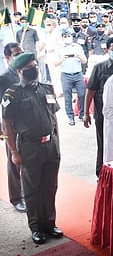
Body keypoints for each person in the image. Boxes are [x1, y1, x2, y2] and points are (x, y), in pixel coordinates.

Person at [2, 52, 63, 244]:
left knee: (50, 186)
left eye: (35, 65)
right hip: (29, 146)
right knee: (32, 189)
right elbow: (7, 125)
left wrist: (57, 141)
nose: (34, 69)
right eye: (29, 67)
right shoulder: (13, 93)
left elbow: (54, 118)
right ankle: (36, 228)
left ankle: (49, 224)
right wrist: (13, 152)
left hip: (51, 144)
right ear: (20, 70)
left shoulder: (47, 88)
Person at [84, 37, 113, 176]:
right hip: (103, 114)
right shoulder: (99, 68)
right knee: (103, 143)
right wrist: (85, 113)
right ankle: (101, 173)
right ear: (107, 50)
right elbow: (90, 91)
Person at [0, 43, 25, 212]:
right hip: (11, 126)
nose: (20, 56)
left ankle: (27, 193)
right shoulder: (3, 79)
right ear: (7, 58)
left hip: (28, 125)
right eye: (16, 54)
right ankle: (16, 198)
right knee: (13, 161)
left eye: (22, 53)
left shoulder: (28, 73)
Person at [54, 28, 87, 125]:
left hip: (78, 74)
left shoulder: (77, 47)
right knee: (67, 97)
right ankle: (70, 117)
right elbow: (55, 63)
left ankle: (81, 113)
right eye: (65, 36)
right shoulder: (59, 49)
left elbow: (84, 61)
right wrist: (62, 60)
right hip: (66, 75)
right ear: (62, 38)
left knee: (82, 94)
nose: (67, 38)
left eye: (69, 36)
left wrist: (79, 56)